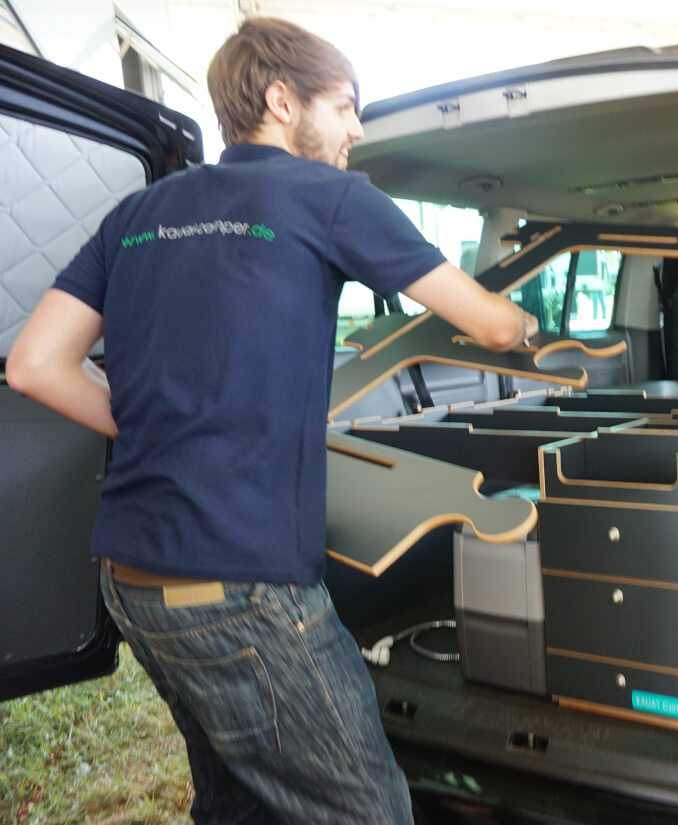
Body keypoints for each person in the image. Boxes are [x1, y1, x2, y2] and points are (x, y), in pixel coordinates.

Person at [6, 16, 536, 825]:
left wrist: (150, 424)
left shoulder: (137, 213)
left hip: (130, 580)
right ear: (282, 100)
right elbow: (492, 327)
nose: (358, 129)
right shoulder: (332, 197)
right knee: (368, 810)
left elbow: (34, 364)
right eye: (347, 106)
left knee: (237, 803)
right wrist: (529, 324)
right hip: (240, 592)